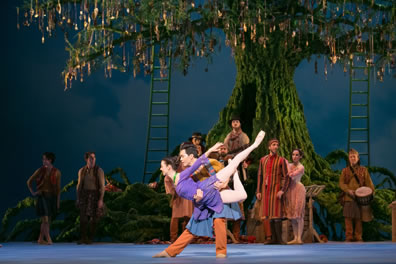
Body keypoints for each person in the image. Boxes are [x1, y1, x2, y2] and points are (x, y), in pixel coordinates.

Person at [153, 131, 265, 258]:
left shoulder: (209, 162)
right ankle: (170, 251)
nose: (181, 159)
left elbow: (224, 173)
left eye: (183, 156)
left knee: (219, 220)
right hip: (203, 200)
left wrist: (223, 184)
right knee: (193, 226)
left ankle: (221, 252)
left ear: (191, 156)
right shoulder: (188, 172)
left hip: (218, 191)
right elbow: (188, 187)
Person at [256, 138, 290, 244]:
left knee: (276, 213)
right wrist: (258, 191)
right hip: (265, 190)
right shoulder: (263, 160)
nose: (276, 146)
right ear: (269, 147)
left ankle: (279, 239)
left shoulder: (281, 160)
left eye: (277, 144)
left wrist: (282, 190)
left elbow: (286, 177)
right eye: (273, 144)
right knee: (267, 214)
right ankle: (272, 238)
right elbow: (260, 175)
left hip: (276, 189)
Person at [339, 148, 375, 242]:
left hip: (360, 198)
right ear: (349, 159)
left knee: (359, 218)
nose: (352, 158)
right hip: (348, 197)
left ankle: (358, 237)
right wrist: (348, 190)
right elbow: (341, 183)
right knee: (348, 218)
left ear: (358, 158)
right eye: (350, 157)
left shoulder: (363, 170)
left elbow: (369, 183)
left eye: (354, 156)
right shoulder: (345, 171)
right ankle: (349, 236)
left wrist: (370, 193)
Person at [27, 152, 61, 245]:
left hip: (52, 197)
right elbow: (29, 181)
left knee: (47, 220)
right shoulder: (40, 170)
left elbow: (58, 189)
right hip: (42, 196)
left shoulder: (57, 172)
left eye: (45, 159)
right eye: (43, 159)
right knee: (45, 219)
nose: (43, 161)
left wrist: (58, 202)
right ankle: (48, 238)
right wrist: (33, 193)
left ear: (50, 160)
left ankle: (40, 239)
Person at [161, 157, 194, 243]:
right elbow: (171, 192)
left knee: (188, 216)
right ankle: (173, 238)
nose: (161, 169)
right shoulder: (168, 178)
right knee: (175, 217)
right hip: (177, 198)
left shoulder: (184, 172)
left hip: (187, 197)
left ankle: (186, 238)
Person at [76, 152, 105, 244]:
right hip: (84, 195)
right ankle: (83, 237)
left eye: (94, 158)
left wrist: (101, 199)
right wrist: (78, 198)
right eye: (91, 158)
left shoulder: (99, 170)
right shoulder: (82, 171)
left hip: (95, 195)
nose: (93, 160)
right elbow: (79, 185)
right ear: (86, 159)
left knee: (94, 218)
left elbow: (102, 186)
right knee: (83, 218)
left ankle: (90, 238)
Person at [284, 149, 306, 245]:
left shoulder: (301, 167)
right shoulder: (289, 165)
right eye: (293, 154)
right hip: (291, 190)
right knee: (292, 215)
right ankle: (295, 237)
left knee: (299, 214)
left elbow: (291, 175)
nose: (294, 156)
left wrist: (286, 165)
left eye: (297, 155)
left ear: (300, 156)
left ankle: (299, 238)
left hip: (298, 189)